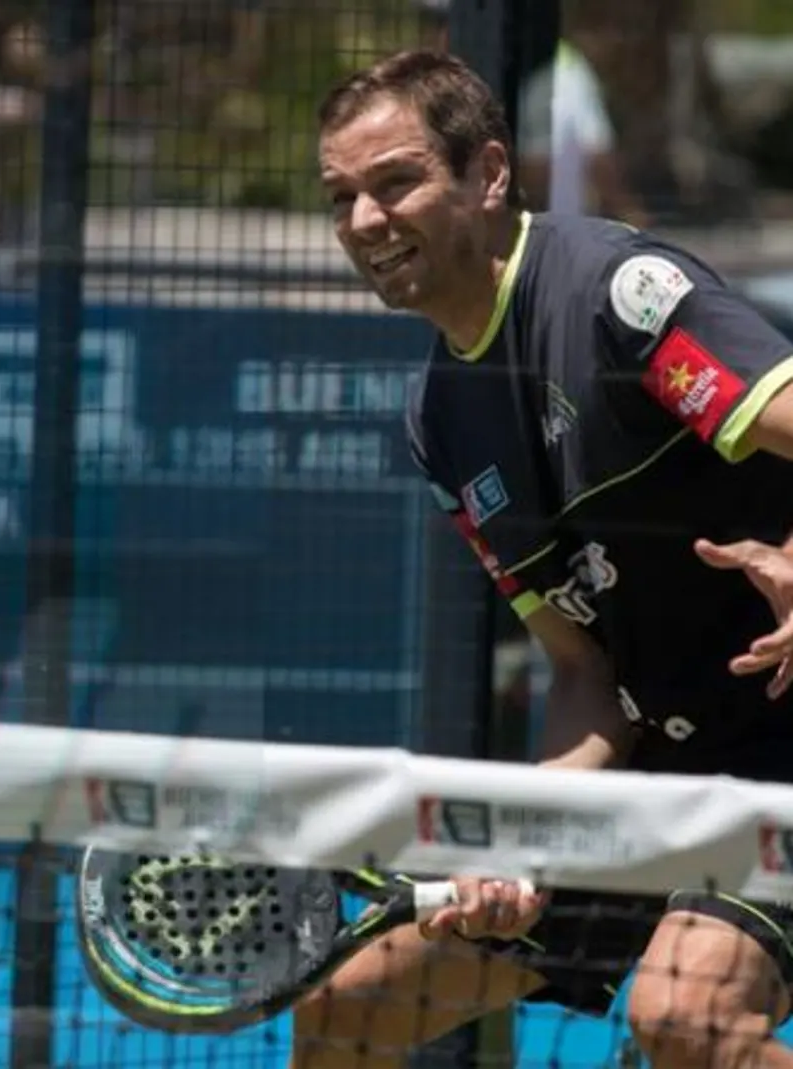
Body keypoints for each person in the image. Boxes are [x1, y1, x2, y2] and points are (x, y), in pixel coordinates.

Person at [304, 50, 793, 1069]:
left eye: (395, 182)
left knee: (682, 1022)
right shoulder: (441, 420)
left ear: (487, 174)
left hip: (781, 766)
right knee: (350, 1013)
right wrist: (524, 841)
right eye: (340, 196)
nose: (362, 223)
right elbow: (584, 674)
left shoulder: (619, 299)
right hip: (658, 777)